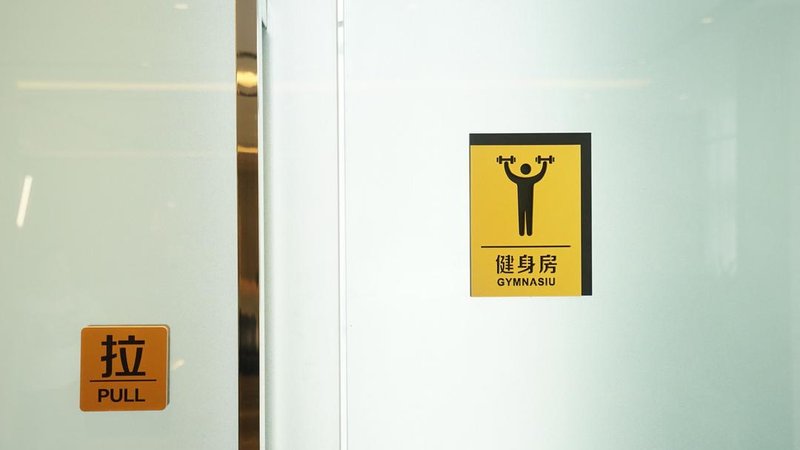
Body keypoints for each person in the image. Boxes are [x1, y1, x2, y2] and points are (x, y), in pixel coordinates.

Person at [503, 159, 548, 236]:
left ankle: (522, 232)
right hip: (528, 202)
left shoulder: (518, 180)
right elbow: (540, 175)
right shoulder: (531, 180)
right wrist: (544, 164)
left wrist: (506, 164)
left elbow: (509, 174)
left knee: (521, 216)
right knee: (528, 216)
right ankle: (528, 232)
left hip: (521, 203)